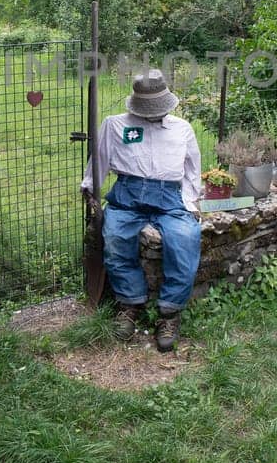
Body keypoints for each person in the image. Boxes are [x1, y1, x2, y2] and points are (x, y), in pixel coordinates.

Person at [81, 69, 203, 351]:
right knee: (115, 238)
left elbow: (192, 168)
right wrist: (90, 188)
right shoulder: (114, 125)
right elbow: (99, 159)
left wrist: (189, 201)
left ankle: (169, 313)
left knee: (185, 240)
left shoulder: (181, 129)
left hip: (170, 197)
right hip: (127, 194)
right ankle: (130, 304)